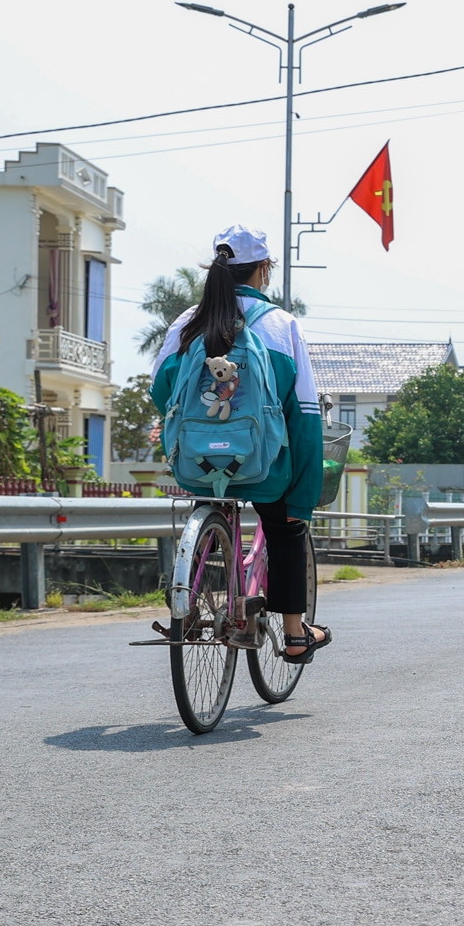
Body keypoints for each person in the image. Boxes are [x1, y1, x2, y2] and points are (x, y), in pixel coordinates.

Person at [151, 224, 331, 662]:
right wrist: (303, 496)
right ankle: (294, 634)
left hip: (197, 464)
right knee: (285, 528)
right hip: (264, 468)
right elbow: (305, 415)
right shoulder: (280, 325)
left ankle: (190, 600)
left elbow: (160, 391)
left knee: (208, 501)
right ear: (263, 270)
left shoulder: (187, 323)